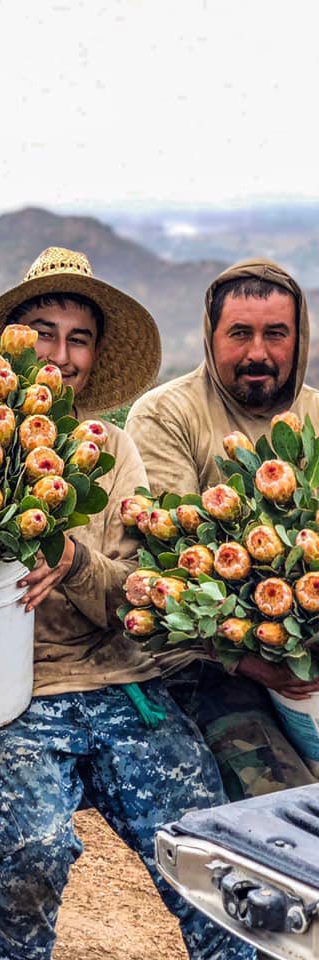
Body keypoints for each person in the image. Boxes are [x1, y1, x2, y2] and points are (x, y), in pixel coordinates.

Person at [0, 248, 254, 960]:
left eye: (77, 338)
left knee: (206, 853)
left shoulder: (111, 451)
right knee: (37, 850)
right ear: (7, 345)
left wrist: (77, 564)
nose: (59, 354)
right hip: (11, 697)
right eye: (42, 333)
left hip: (121, 684)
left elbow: (137, 596)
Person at [125, 259, 318, 799]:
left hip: (306, 660)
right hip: (207, 663)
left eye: (275, 333)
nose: (258, 352)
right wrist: (262, 664)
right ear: (211, 339)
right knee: (286, 806)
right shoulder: (168, 415)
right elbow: (169, 571)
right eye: (240, 333)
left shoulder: (315, 415)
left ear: (298, 339)